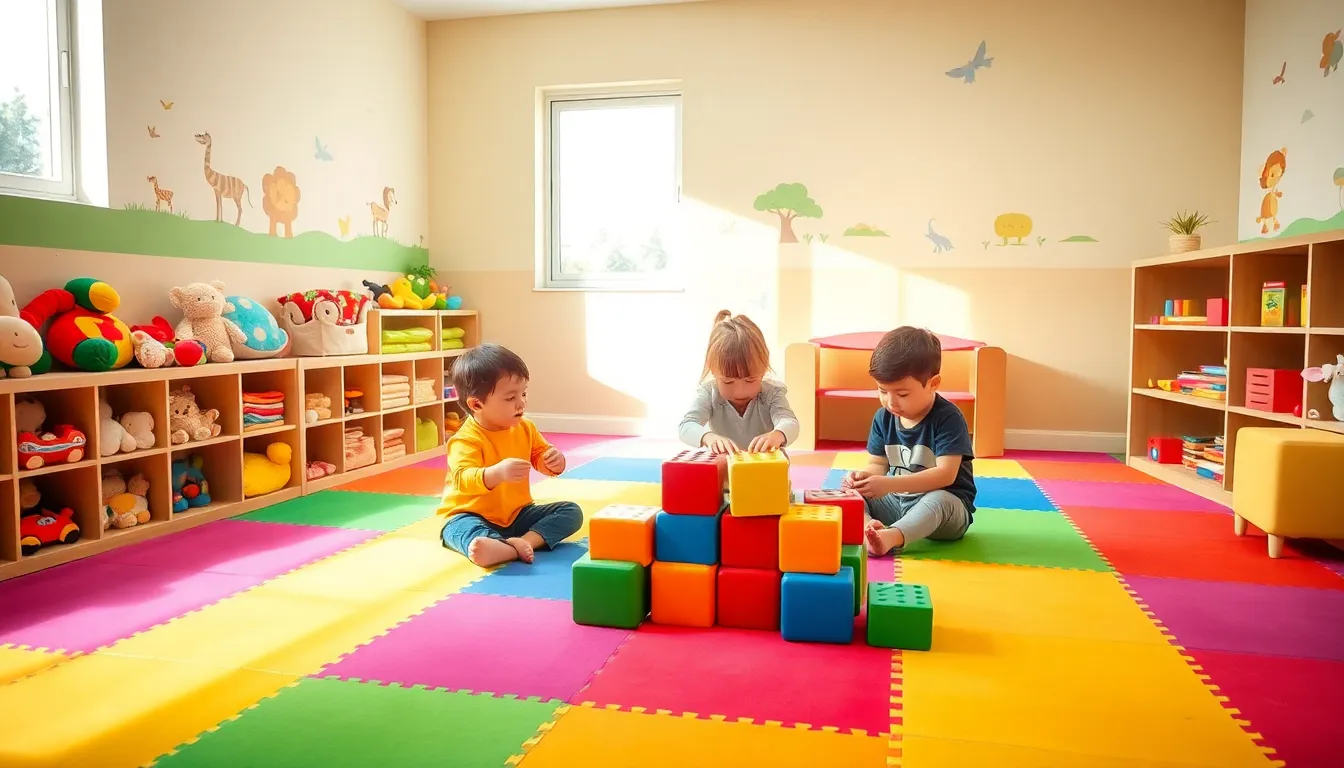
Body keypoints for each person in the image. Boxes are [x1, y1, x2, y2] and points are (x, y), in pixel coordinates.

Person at [438, 343, 581, 567]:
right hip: (469, 514)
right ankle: (499, 546)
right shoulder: (465, 440)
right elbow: (463, 479)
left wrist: (554, 461)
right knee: (463, 534)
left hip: (517, 514)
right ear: (476, 404)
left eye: (523, 393)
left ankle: (521, 544)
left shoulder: (525, 427)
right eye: (510, 398)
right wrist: (497, 473)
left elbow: (540, 455)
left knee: (571, 512)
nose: (521, 402)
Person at [843, 326, 977, 556]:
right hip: (898, 502)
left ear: (933, 384)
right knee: (845, 492)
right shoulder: (883, 417)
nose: (891, 402)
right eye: (882, 391)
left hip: (945, 511)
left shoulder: (948, 418)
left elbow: (946, 475)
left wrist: (889, 484)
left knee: (939, 500)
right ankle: (869, 529)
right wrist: (864, 479)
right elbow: (877, 464)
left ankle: (892, 536)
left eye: (902, 394)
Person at [678, 310, 800, 455]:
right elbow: (686, 425)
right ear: (713, 372)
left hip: (766, 463)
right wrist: (708, 437)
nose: (740, 391)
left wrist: (778, 434)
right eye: (728, 382)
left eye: (750, 380)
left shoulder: (772, 393)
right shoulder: (709, 393)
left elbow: (790, 422)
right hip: (726, 463)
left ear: (764, 369)